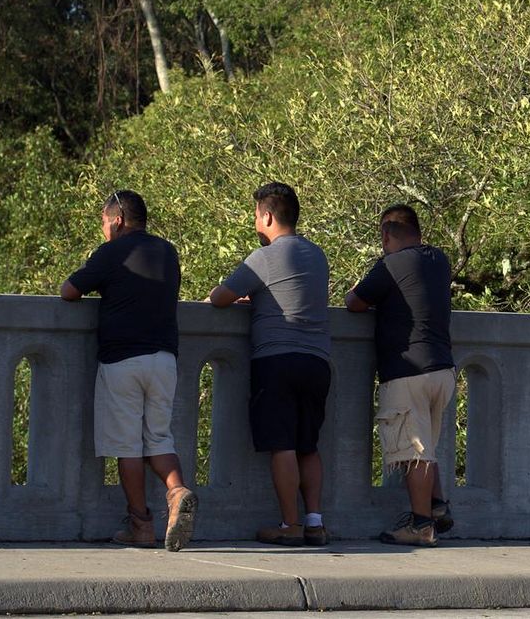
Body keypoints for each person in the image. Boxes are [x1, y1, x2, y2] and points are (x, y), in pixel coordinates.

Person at [61, 190, 198, 551]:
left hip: (123, 360)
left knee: (127, 447)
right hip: (165, 359)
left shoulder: (111, 252)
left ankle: (140, 524)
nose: (104, 229)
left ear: (117, 219)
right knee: (159, 438)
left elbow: (69, 291)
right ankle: (177, 491)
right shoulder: (168, 252)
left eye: (105, 222)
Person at [207, 182, 333, 547]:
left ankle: (289, 525)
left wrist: (248, 295)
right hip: (317, 361)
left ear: (267, 215)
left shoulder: (262, 258)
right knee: (308, 443)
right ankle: (314, 522)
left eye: (256, 215)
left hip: (277, 360)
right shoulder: (318, 255)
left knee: (283, 444)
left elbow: (219, 298)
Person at [346, 203, 457, 547]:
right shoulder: (439, 261)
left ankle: (421, 525)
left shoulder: (390, 265)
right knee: (427, 444)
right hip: (443, 370)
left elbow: (355, 302)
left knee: (415, 450)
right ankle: (437, 506)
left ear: (386, 235)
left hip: (408, 370)